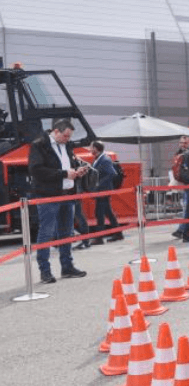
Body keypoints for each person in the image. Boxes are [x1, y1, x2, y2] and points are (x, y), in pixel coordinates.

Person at [29, 118, 88, 283]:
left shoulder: (66, 146)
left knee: (66, 232)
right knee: (46, 233)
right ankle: (45, 271)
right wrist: (64, 174)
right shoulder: (39, 145)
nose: (68, 139)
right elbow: (36, 170)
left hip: (67, 194)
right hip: (47, 195)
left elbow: (68, 166)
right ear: (56, 131)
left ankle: (67, 267)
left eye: (69, 137)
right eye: (66, 136)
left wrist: (77, 171)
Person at [89, 141, 121, 245]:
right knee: (108, 213)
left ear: (96, 149)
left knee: (99, 213)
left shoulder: (105, 159)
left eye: (91, 147)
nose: (90, 149)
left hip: (103, 191)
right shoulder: (99, 159)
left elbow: (112, 173)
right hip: (101, 191)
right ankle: (118, 234)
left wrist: (99, 184)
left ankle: (99, 238)